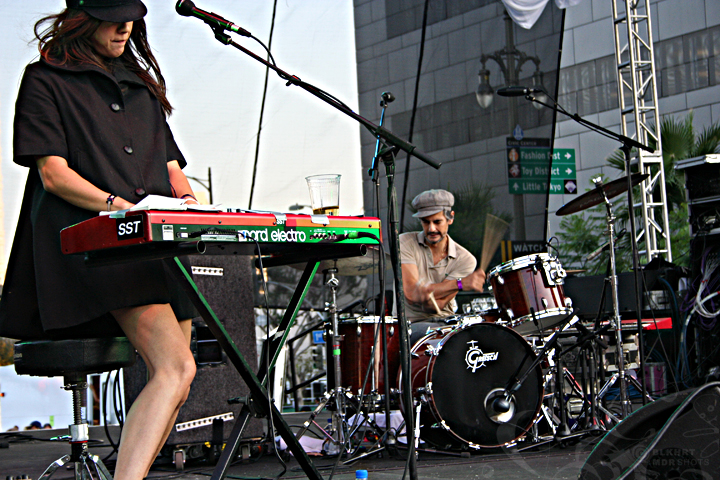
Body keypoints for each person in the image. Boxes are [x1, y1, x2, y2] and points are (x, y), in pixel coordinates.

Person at [0, 1, 198, 478]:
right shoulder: (44, 80)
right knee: (177, 370)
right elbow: (53, 175)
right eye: (113, 16)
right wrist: (122, 208)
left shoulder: (140, 87)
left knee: (177, 375)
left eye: (131, 15)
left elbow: (171, 168)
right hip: (95, 248)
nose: (125, 25)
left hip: (154, 246)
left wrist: (190, 204)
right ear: (83, 19)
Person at [400, 189, 487, 339]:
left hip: (447, 323)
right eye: (426, 222)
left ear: (450, 218)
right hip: (410, 325)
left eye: (437, 221)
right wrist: (460, 283)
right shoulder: (404, 242)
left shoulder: (466, 259)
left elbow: (436, 306)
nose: (431, 228)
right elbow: (413, 294)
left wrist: (427, 294)